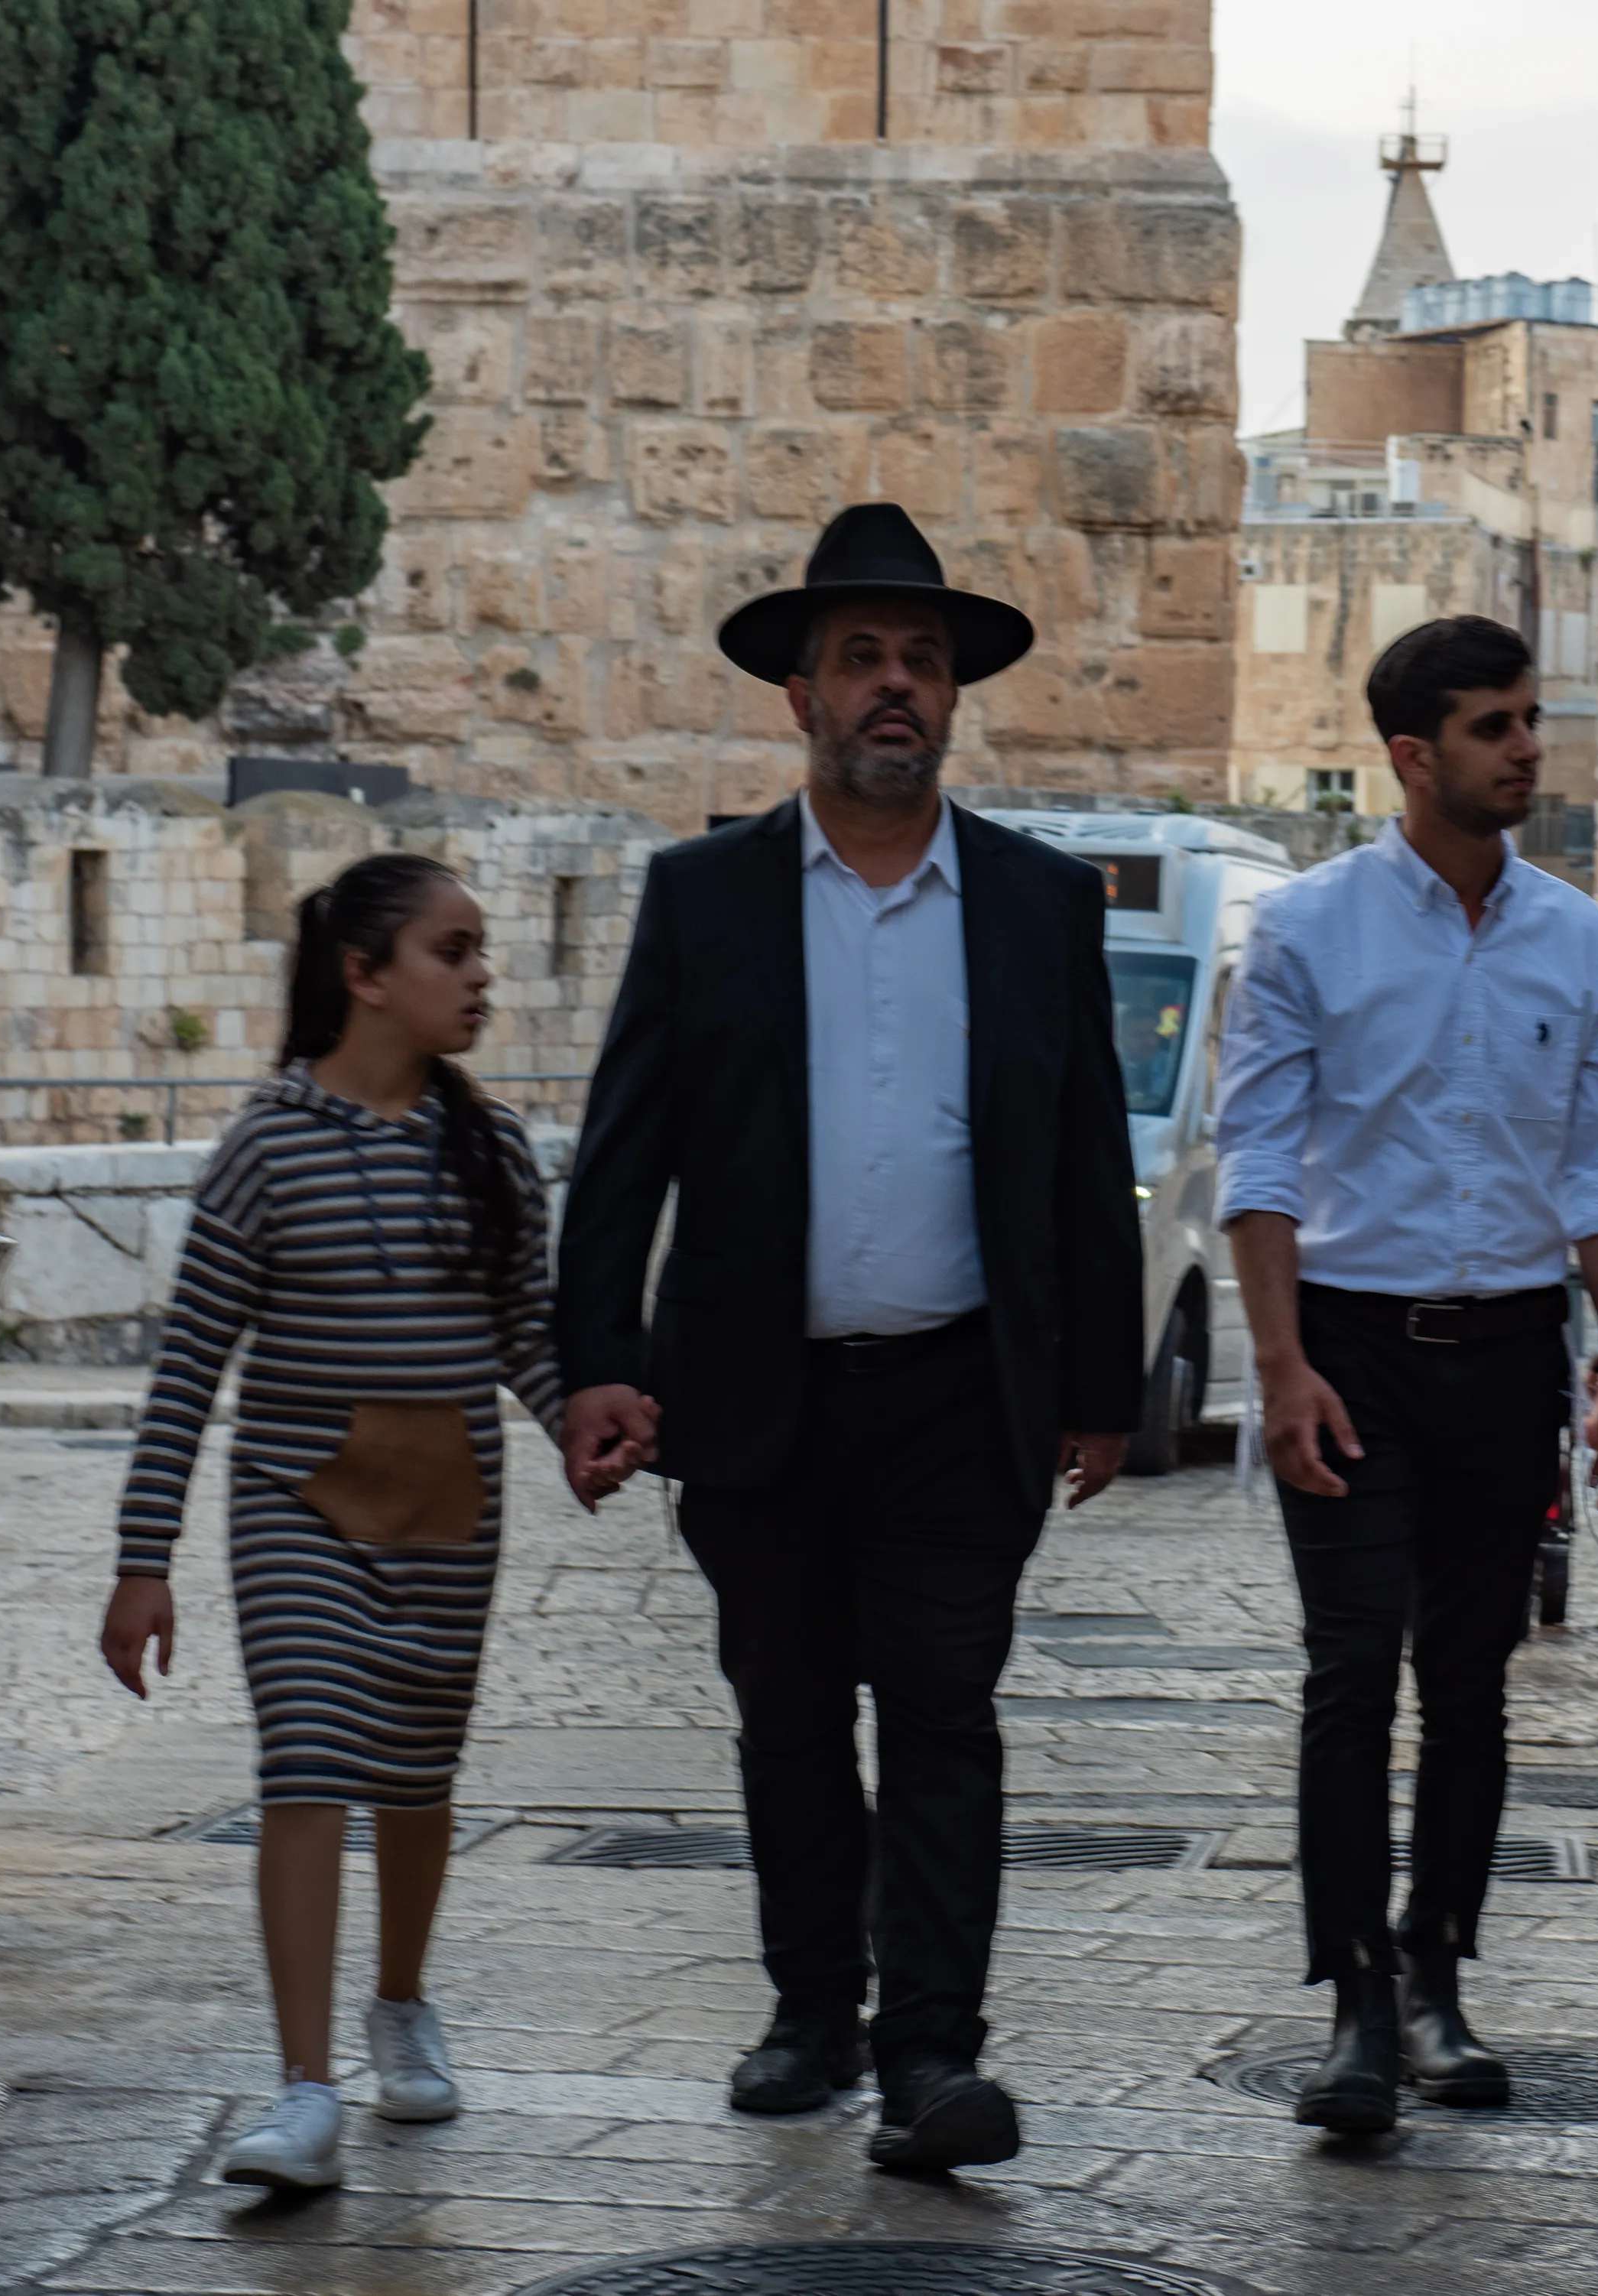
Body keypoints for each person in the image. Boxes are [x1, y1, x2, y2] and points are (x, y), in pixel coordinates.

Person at [553, 502, 1145, 2174]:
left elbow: (1085, 1157)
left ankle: (934, 2049)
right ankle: (812, 2007)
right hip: (756, 1393)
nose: (897, 687)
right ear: (798, 695)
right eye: (864, 658)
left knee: (947, 1710)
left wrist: (1103, 1385)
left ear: (955, 700)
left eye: (924, 662)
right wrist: (596, 1360)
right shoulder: (706, 897)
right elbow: (624, 1155)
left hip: (966, 1392)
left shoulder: (1039, 903)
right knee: (793, 1714)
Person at [1217, 615, 1598, 2138]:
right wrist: (1278, 1370)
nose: (1529, 746)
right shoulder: (1305, 931)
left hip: (1506, 1356)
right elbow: (1260, 1165)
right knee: (1352, 1674)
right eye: (1495, 725)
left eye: (1531, 718)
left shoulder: (1571, 935)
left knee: (1470, 1683)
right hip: (1350, 1345)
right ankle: (1350, 2002)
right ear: (1414, 756)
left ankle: (1436, 1972)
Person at [97, 853, 560, 2191]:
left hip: (452, 1512)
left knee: (416, 1778)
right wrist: (144, 1563)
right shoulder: (266, 1146)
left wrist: (591, 1423)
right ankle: (303, 2089)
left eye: (482, 951)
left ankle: (400, 2001)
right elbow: (190, 1365)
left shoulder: (496, 1150)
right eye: (453, 950)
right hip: (299, 1511)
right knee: (305, 1762)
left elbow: (527, 1339)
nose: (482, 976)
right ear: (365, 976)